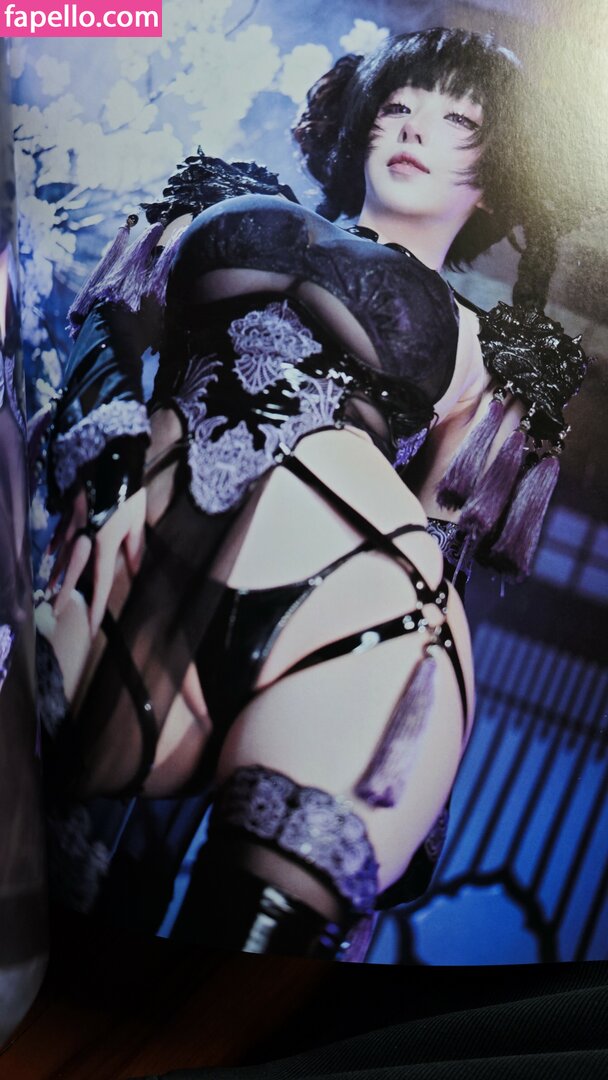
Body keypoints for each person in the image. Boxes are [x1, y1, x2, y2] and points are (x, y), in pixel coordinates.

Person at [35, 28, 587, 960]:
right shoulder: (223, 199)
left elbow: (443, 527)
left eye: (456, 121)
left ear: (495, 180)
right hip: (132, 544)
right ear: (363, 121)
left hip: (348, 623)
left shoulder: (492, 352)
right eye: (399, 105)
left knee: (231, 972)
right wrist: (107, 453)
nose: (413, 128)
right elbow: (114, 325)